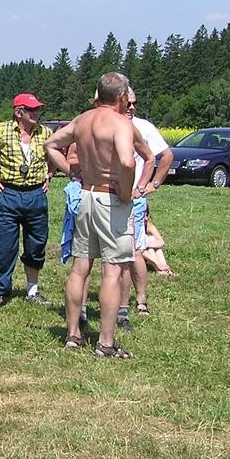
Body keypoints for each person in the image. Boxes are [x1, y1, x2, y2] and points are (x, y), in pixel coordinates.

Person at [44, 72, 146, 359]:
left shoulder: (82, 120)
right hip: (110, 198)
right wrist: (125, 192)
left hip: (86, 195)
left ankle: (73, 335)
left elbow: (50, 144)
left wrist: (71, 171)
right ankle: (105, 343)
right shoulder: (121, 123)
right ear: (122, 96)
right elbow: (127, 162)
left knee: (80, 268)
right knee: (112, 271)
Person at [0, 92, 54, 308]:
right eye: (32, 110)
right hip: (8, 194)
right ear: (18, 112)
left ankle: (32, 290)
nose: (37, 113)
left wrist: (49, 175)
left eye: (38, 109)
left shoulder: (46, 133)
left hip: (36, 194)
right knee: (5, 246)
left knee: (36, 244)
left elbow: (56, 155)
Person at [117, 88, 173, 331]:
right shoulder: (110, 123)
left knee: (134, 250)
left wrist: (152, 185)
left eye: (135, 103)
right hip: (110, 198)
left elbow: (166, 156)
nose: (131, 107)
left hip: (134, 199)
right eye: (128, 103)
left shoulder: (143, 127)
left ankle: (140, 300)